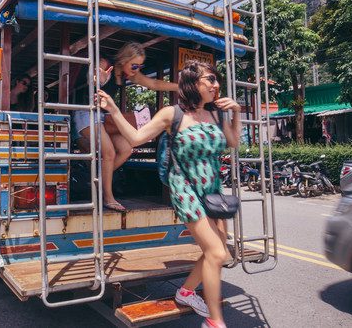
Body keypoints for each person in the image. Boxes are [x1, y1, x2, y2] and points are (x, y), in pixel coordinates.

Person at [98, 59, 241, 328]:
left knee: (218, 250)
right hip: (185, 188)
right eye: (210, 79)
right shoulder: (171, 114)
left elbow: (233, 142)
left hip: (211, 190)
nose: (216, 84)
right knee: (217, 254)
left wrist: (236, 113)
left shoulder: (217, 114)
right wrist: (115, 110)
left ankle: (185, 292)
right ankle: (216, 321)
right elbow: (137, 138)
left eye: (216, 79)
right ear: (192, 83)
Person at [72, 42, 178, 211]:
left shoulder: (130, 74)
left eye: (140, 66)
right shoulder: (105, 64)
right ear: (123, 60)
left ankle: (97, 179)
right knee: (109, 153)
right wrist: (99, 79)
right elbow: (92, 77)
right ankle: (107, 197)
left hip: (102, 117)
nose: (137, 69)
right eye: (134, 65)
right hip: (86, 112)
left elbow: (154, 84)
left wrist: (180, 87)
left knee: (126, 148)